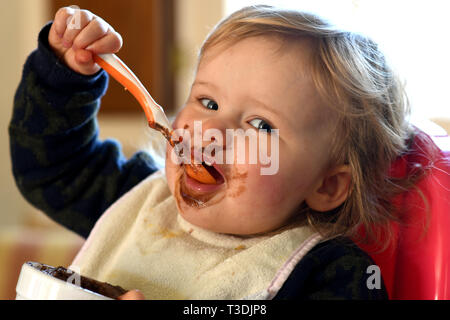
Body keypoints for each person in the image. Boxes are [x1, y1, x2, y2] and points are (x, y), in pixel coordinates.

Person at [10, 5, 418, 299]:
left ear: (327, 185)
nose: (211, 130)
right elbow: (51, 168)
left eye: (260, 125)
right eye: (207, 102)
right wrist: (64, 76)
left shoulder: (328, 274)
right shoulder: (139, 198)